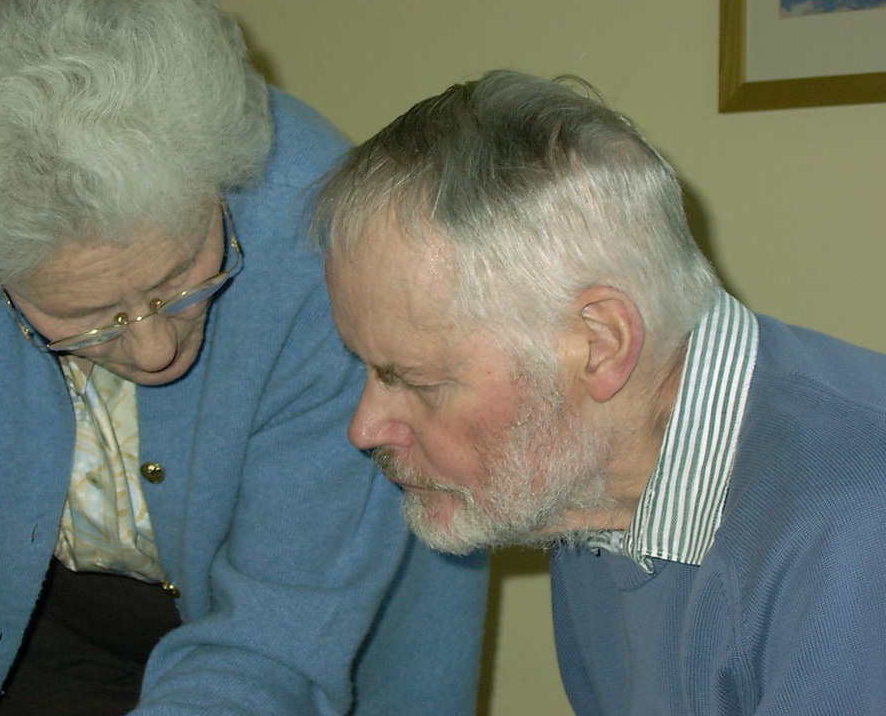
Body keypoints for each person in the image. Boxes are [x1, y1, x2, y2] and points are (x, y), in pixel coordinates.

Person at [0, 0, 488, 715]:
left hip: (316, 614)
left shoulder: (317, 231)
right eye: (85, 318)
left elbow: (273, 640)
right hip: (56, 614)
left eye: (182, 278)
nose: (156, 350)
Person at [314, 69, 886, 714]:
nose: (364, 429)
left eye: (416, 380)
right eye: (365, 367)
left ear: (600, 345)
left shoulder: (859, 528)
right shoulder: (592, 477)